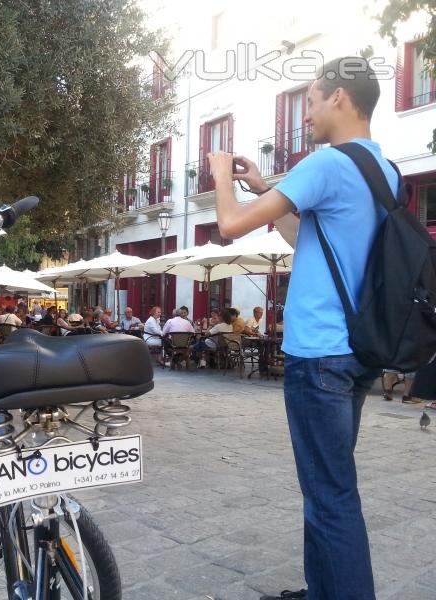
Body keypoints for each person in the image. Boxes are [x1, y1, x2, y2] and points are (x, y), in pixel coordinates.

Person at [211, 57, 391, 600]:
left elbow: (226, 226)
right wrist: (266, 187)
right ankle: (322, 590)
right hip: (357, 350)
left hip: (319, 354)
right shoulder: (381, 167)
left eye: (310, 99)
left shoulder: (326, 163)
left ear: (338, 97)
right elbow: (303, 239)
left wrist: (222, 175)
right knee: (326, 485)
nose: (305, 112)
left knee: (330, 493)